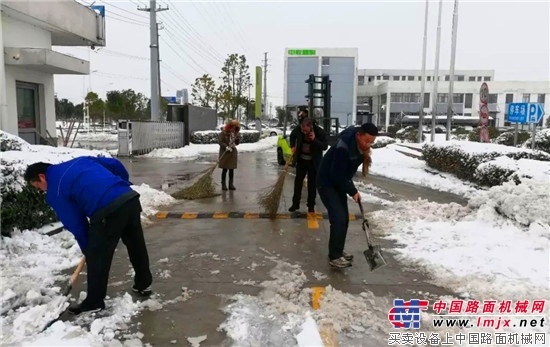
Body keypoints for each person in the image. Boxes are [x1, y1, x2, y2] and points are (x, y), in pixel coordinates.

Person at [24, 157, 153, 314]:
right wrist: (123, 184)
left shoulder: (55, 190)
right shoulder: (79, 161)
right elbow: (114, 164)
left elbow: (76, 224)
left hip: (108, 210)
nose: (41, 190)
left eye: (38, 187)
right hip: (129, 199)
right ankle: (143, 283)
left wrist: (90, 250)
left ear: (42, 177)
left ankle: (94, 302)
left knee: (98, 257)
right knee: (135, 244)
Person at [316, 123, 378, 269]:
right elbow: (336, 174)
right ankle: (335, 257)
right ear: (358, 136)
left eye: (371, 142)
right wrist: (352, 191)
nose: (368, 145)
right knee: (338, 218)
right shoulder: (343, 147)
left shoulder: (358, 146)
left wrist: (351, 189)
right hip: (327, 182)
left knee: (343, 218)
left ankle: (338, 251)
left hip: (338, 183)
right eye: (366, 141)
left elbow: (344, 173)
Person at [288, 117, 328, 213]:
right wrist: (293, 146)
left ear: (311, 127)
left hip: (313, 162)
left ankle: (311, 205)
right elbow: (292, 136)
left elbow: (324, 146)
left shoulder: (320, 132)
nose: (303, 131)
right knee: (298, 183)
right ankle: (295, 204)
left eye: (305, 130)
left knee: (312, 185)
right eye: (302, 129)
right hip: (301, 160)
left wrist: (314, 139)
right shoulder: (299, 129)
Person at [219, 119, 240, 191]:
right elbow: (220, 142)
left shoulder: (236, 133)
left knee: (231, 169)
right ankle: (223, 184)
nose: (234, 128)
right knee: (225, 169)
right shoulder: (224, 133)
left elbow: (237, 143)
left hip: (232, 152)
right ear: (230, 126)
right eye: (233, 126)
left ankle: (231, 184)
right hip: (225, 152)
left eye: (235, 127)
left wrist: (237, 139)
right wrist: (226, 147)